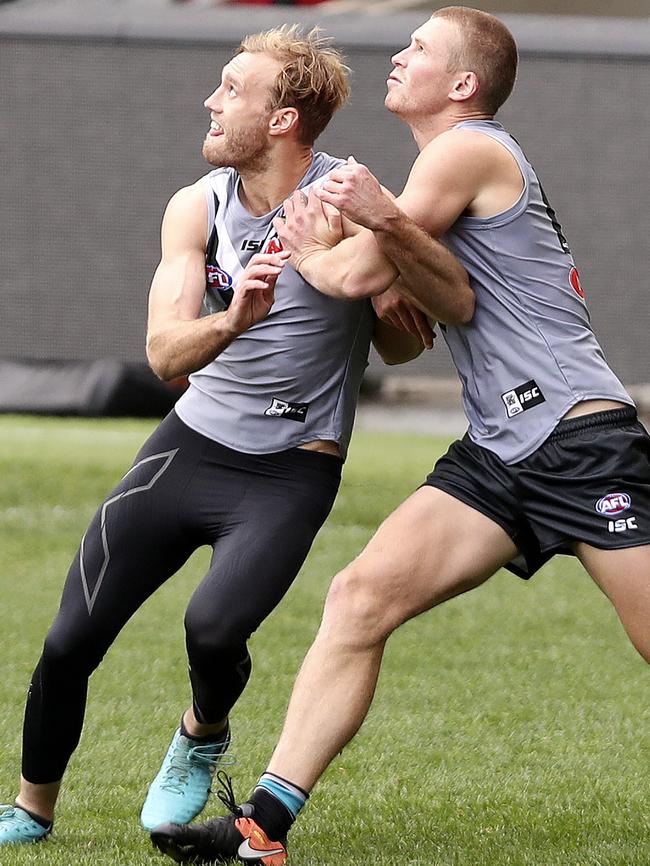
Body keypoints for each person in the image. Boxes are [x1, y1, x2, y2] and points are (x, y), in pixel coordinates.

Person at [151, 7, 650, 865]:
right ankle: (260, 833)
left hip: (578, 436)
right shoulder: (436, 166)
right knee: (359, 599)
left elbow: (357, 272)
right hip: (500, 449)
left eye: (418, 48)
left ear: (460, 84)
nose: (398, 54)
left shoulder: (466, 146)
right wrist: (373, 235)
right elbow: (432, 291)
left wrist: (317, 247)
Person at [0, 25, 474, 847]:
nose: (211, 102)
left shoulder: (349, 200)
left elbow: (402, 345)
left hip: (291, 471)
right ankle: (30, 810)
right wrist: (234, 319)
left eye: (230, 89)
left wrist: (387, 303)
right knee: (69, 639)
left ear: (284, 119)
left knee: (213, 628)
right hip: (189, 446)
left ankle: (202, 732)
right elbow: (161, 353)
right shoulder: (197, 205)